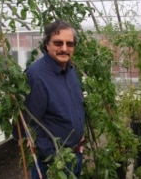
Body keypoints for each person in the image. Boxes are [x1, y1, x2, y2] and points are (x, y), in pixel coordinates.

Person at [24, 19, 86, 178]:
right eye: (58, 43)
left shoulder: (70, 69)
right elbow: (29, 125)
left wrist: (79, 137)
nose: (64, 48)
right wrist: (53, 156)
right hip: (53, 164)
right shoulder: (37, 76)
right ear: (47, 45)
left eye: (69, 44)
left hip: (74, 154)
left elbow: (75, 106)